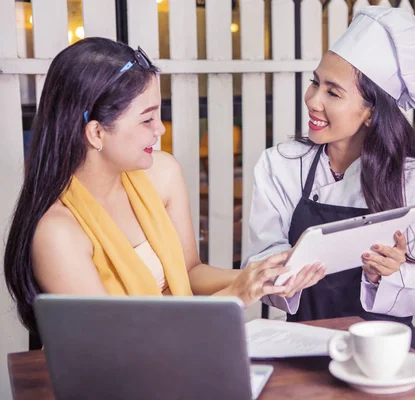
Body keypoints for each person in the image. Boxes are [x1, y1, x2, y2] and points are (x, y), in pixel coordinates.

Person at [3, 37, 305, 334]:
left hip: (184, 352)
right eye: (146, 120)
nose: (160, 129)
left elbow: (189, 273)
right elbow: (115, 346)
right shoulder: (57, 233)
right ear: (96, 132)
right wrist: (235, 295)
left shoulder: (162, 173)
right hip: (113, 377)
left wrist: (258, 277)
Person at [243, 6, 415, 336]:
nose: (312, 100)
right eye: (315, 83)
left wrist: (386, 275)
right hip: (301, 345)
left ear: (371, 112)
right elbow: (257, 270)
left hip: (382, 356)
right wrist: (286, 268)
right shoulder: (281, 165)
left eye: (332, 92)